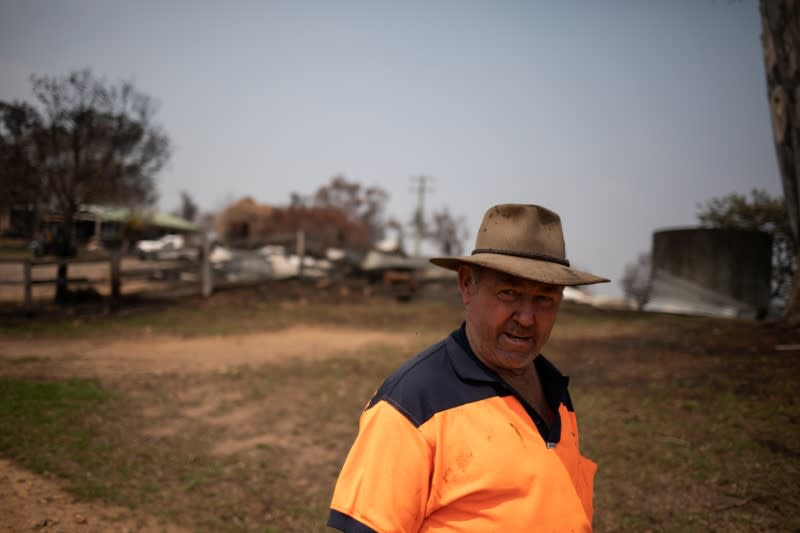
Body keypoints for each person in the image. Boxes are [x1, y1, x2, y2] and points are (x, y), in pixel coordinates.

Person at [327, 203, 609, 532]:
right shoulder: (412, 404)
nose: (527, 318)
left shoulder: (553, 388)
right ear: (466, 286)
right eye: (509, 293)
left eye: (544, 298)